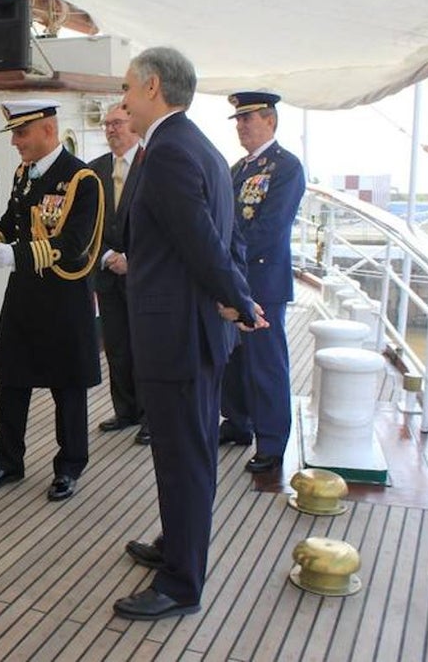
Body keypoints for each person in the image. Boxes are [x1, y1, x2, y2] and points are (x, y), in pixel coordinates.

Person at [112, 48, 266, 621]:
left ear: (153, 87)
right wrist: (235, 294)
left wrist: (239, 299)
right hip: (190, 330)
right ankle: (175, 546)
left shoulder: (173, 151)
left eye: (128, 87)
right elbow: (225, 240)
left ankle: (181, 583)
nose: (123, 99)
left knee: (185, 457)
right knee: (183, 451)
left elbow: (204, 244)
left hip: (176, 334)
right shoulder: (197, 146)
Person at [0, 98, 104, 502]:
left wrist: (17, 254)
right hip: (25, 293)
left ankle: (70, 466)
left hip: (64, 296)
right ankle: (7, 462)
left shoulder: (82, 179)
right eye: (14, 134)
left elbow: (76, 244)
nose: (16, 143)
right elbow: (10, 221)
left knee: (68, 386)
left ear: (48, 129)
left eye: (21, 133)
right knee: (12, 378)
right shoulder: (24, 173)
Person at [218, 91, 306, 473]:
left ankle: (271, 444)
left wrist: (226, 257)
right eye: (238, 120)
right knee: (233, 359)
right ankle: (238, 423)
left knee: (266, 365)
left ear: (269, 120)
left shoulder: (286, 167)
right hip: (233, 278)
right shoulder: (238, 168)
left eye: (247, 119)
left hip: (262, 280)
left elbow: (270, 227)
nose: (241, 126)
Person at [87, 102, 150, 445]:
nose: (111, 129)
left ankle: (151, 418)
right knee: (117, 347)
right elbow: (86, 225)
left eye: (118, 123)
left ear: (135, 127)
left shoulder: (153, 165)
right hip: (108, 274)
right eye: (107, 124)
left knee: (147, 349)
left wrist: (134, 259)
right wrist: (109, 256)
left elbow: (164, 225)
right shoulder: (93, 170)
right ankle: (125, 410)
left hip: (145, 276)